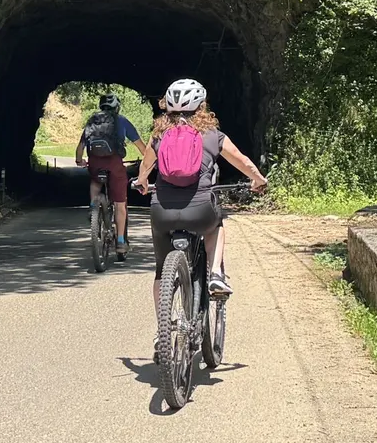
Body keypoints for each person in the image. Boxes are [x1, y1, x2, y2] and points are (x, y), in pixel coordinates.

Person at [135, 78, 267, 322]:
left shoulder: (159, 135)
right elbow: (241, 160)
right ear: (201, 106)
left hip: (162, 211)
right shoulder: (212, 135)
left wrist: (142, 183)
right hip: (200, 209)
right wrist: (258, 180)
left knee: (161, 273)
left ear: (168, 106)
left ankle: (163, 328)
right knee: (216, 226)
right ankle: (216, 274)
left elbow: (145, 167)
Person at [75, 92, 151, 253]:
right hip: (115, 163)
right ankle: (121, 242)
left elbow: (80, 147)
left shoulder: (92, 120)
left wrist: (79, 160)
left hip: (95, 161)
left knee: (95, 181)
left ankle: (93, 206)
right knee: (120, 204)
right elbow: (140, 146)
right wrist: (149, 161)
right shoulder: (122, 121)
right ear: (117, 107)